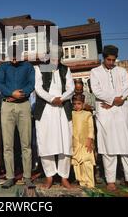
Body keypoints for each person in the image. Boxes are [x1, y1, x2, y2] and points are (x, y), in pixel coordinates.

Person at [91, 45, 128, 191]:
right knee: (108, 147)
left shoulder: (122, 71)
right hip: (105, 114)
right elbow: (97, 91)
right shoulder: (95, 72)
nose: (111, 62)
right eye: (109, 59)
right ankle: (110, 180)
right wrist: (114, 100)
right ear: (103, 58)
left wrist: (115, 101)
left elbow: (127, 88)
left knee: (127, 147)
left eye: (113, 60)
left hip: (122, 113)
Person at [34, 46, 74, 189]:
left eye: (58, 57)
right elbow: (38, 88)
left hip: (62, 109)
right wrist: (52, 99)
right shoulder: (40, 68)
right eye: (53, 57)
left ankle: (64, 177)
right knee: (45, 142)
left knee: (65, 143)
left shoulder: (65, 69)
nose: (55, 60)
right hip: (45, 109)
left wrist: (61, 99)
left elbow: (71, 88)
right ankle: (49, 176)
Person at [0, 44, 35, 189]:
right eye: (11, 57)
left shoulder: (28, 67)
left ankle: (27, 177)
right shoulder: (3, 67)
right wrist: (11, 93)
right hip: (7, 105)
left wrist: (22, 93)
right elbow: (0, 84)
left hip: (24, 105)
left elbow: (32, 84)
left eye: (16, 57)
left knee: (26, 143)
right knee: (8, 144)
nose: (14, 60)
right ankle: (10, 177)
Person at [71, 95, 95, 188]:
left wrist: (90, 139)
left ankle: (90, 183)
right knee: (77, 162)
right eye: (75, 104)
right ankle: (81, 181)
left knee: (87, 161)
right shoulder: (72, 114)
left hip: (86, 142)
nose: (77, 106)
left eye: (79, 104)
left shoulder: (87, 114)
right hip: (75, 142)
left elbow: (91, 128)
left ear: (83, 104)